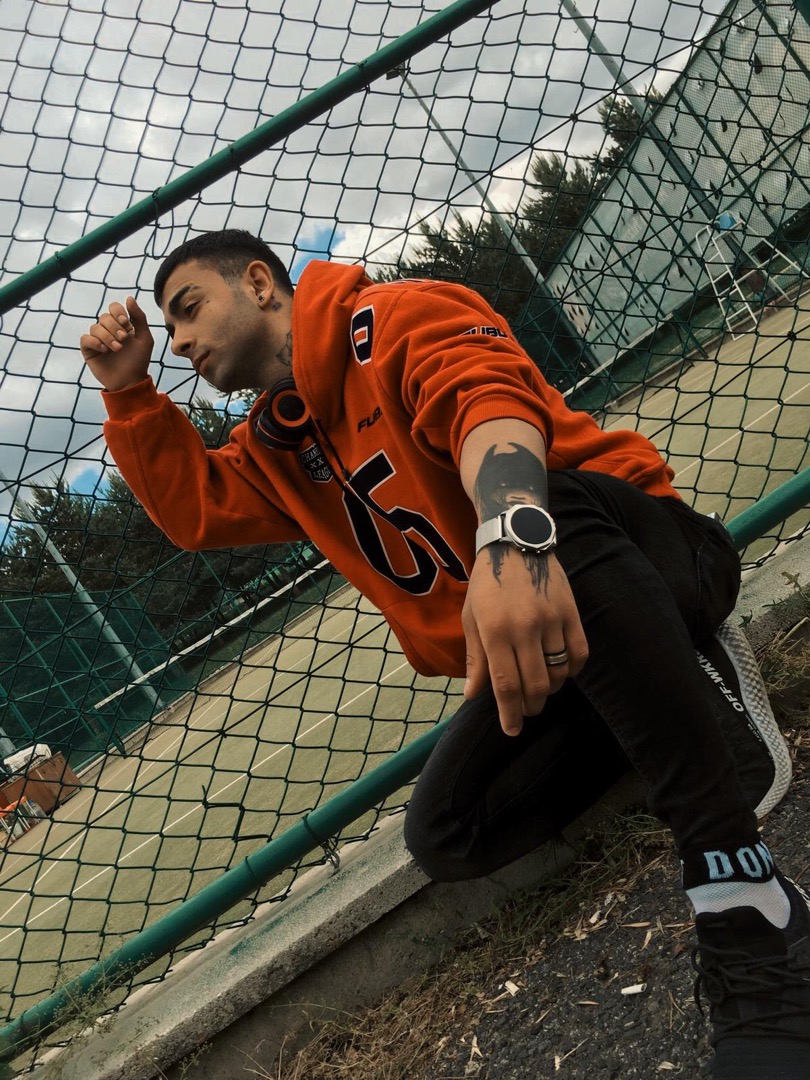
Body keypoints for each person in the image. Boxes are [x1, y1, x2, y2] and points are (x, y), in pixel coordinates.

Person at [80, 229, 808, 1077]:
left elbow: (486, 404)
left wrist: (509, 534)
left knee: (546, 513)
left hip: (649, 555)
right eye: (168, 329)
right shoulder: (275, 446)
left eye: (188, 309)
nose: (178, 342)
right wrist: (127, 391)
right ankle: (678, 696)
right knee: (447, 832)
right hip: (553, 645)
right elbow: (195, 510)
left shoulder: (393, 316)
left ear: (260, 283)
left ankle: (741, 892)